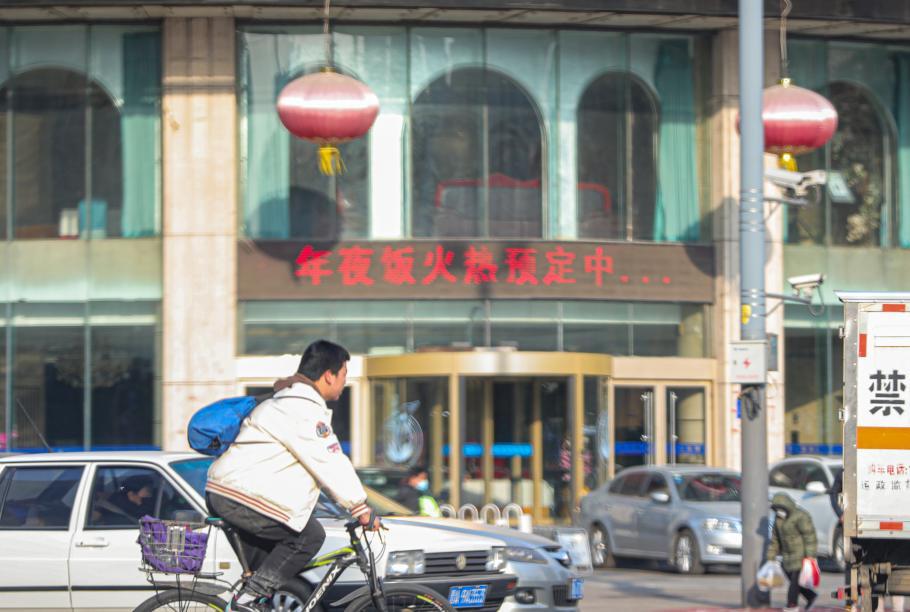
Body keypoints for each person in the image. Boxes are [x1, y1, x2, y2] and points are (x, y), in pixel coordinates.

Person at [206, 340, 379, 610]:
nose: (345, 382)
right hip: (238, 496)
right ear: (328, 375)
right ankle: (248, 600)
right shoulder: (302, 411)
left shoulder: (288, 403)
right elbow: (329, 461)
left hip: (232, 493)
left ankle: (253, 600)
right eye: (344, 374)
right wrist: (360, 508)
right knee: (309, 536)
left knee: (269, 583)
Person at [767, 492, 818, 612]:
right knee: (793, 578)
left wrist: (810, 555)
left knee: (794, 581)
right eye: (776, 509)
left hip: (801, 554)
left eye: (780, 508)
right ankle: (811, 596)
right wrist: (771, 556)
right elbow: (775, 539)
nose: (779, 511)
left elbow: (809, 536)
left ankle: (792, 604)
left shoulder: (801, 516)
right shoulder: (778, 519)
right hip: (787, 555)